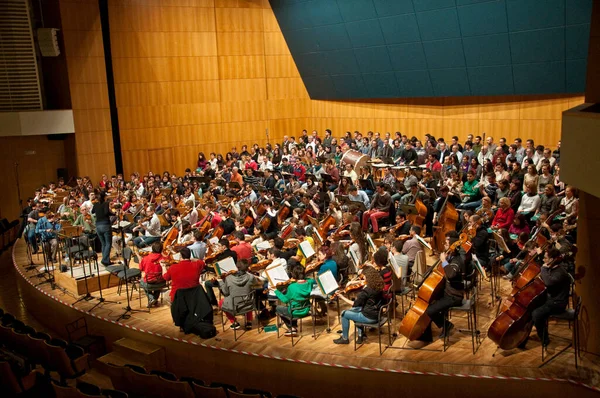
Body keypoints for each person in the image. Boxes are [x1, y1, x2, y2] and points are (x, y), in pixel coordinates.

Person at [424, 231, 467, 340]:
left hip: (454, 296)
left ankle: (446, 325)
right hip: (447, 291)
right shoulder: (451, 256)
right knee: (428, 303)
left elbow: (451, 274)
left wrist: (444, 261)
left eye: (446, 243)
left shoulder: (457, 260)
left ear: (453, 244)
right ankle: (426, 334)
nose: (444, 245)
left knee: (430, 310)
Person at [531, 248, 571, 346]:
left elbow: (549, 282)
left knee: (536, 314)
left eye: (545, 258)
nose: (543, 260)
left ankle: (545, 339)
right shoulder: (553, 268)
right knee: (531, 306)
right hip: (550, 299)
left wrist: (543, 268)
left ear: (552, 259)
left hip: (557, 303)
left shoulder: (560, 272)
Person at [333, 266, 384, 345]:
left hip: (369, 317)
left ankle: (345, 338)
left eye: (364, 277)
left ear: (367, 277)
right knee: (352, 311)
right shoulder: (379, 285)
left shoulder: (367, 291)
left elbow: (355, 303)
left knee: (344, 313)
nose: (363, 278)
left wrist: (342, 297)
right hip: (377, 313)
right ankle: (360, 335)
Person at [219, 259, 261, 330]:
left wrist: (222, 282)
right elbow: (257, 285)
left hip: (235, 307)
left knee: (220, 302)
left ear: (236, 267)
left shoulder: (228, 278)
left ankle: (234, 322)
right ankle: (249, 321)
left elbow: (226, 293)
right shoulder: (251, 277)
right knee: (247, 297)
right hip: (249, 305)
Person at [275, 264, 315, 337]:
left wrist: (277, 291)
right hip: (306, 309)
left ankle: (292, 328)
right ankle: (293, 326)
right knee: (294, 304)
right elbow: (311, 280)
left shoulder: (292, 287)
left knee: (278, 308)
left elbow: (285, 300)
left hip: (295, 312)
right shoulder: (309, 283)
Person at [139, 242, 167, 307]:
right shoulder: (164, 259)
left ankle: (152, 298)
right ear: (161, 250)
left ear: (152, 249)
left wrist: (140, 260)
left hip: (149, 283)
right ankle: (155, 300)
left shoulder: (146, 258)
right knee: (158, 282)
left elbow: (141, 268)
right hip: (161, 282)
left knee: (141, 282)